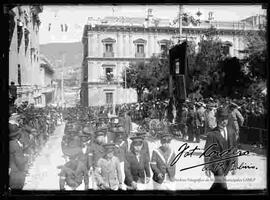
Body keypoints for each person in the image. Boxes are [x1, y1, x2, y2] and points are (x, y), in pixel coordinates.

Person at [204, 107, 238, 191]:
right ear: (217, 119)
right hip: (216, 163)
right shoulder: (211, 134)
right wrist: (207, 167)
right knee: (223, 185)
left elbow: (234, 148)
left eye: (226, 119)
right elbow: (207, 151)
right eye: (222, 119)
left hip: (227, 163)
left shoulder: (231, 132)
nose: (224, 121)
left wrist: (235, 164)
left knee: (218, 183)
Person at [9, 121, 28, 189]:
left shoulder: (10, 143)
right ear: (17, 135)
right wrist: (25, 158)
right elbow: (20, 162)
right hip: (16, 175)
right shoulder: (15, 145)